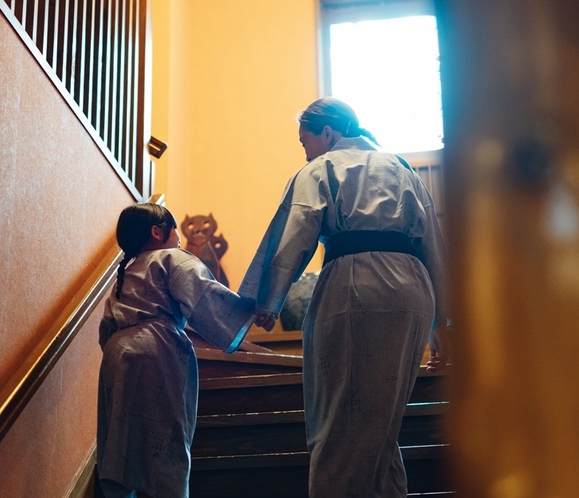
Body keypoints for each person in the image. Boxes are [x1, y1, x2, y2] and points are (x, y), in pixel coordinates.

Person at [239, 97, 450, 497]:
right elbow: (433, 243)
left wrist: (267, 301)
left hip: (356, 284)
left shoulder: (323, 168)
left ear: (328, 133)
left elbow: (295, 229)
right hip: (413, 291)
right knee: (380, 431)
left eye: (305, 140)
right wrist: (442, 322)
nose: (304, 150)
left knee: (339, 424)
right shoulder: (403, 168)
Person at [97, 203, 255, 498]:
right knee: (165, 440)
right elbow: (203, 292)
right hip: (154, 349)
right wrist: (252, 308)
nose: (180, 237)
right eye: (174, 229)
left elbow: (106, 327)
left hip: (117, 355)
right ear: (157, 232)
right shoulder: (170, 258)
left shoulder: (125, 272)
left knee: (122, 442)